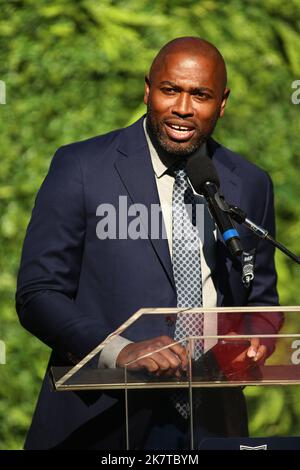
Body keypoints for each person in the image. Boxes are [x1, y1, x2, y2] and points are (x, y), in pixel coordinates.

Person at [16, 37, 282, 450]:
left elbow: (262, 303)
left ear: (222, 103)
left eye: (201, 95)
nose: (182, 108)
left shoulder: (249, 183)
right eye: (170, 90)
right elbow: (38, 294)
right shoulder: (81, 167)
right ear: (147, 89)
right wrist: (118, 350)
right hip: (100, 419)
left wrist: (255, 342)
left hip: (211, 424)